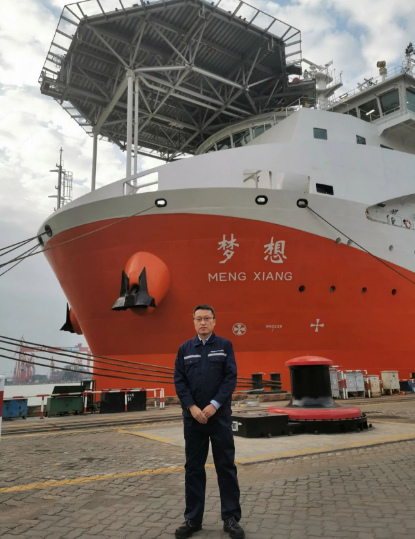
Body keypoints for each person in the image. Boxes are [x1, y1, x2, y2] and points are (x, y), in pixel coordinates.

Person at [174, 305, 244, 539]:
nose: (202, 322)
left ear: (214, 321)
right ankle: (193, 519)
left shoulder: (225, 346)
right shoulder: (184, 349)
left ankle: (231, 518)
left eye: (207, 318)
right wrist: (192, 407)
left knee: (226, 466)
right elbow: (179, 381)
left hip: (219, 417)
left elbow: (230, 378)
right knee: (193, 469)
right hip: (193, 420)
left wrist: (214, 405)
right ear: (193, 322)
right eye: (198, 319)